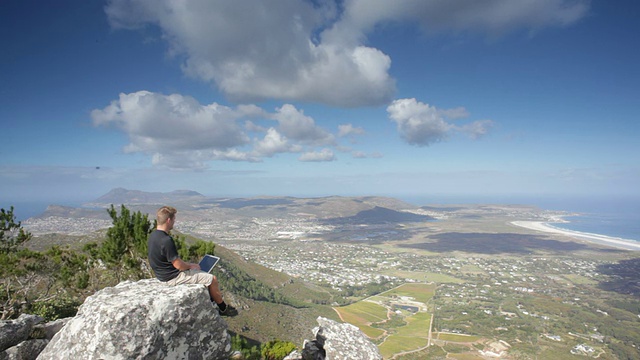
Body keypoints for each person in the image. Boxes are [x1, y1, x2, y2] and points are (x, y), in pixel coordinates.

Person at [148, 206, 237, 316]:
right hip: (172, 277)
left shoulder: (153, 236)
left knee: (200, 273)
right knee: (212, 279)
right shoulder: (166, 240)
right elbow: (178, 265)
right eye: (174, 220)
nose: (174, 222)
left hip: (162, 275)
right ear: (168, 220)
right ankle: (223, 308)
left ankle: (211, 300)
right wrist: (190, 266)